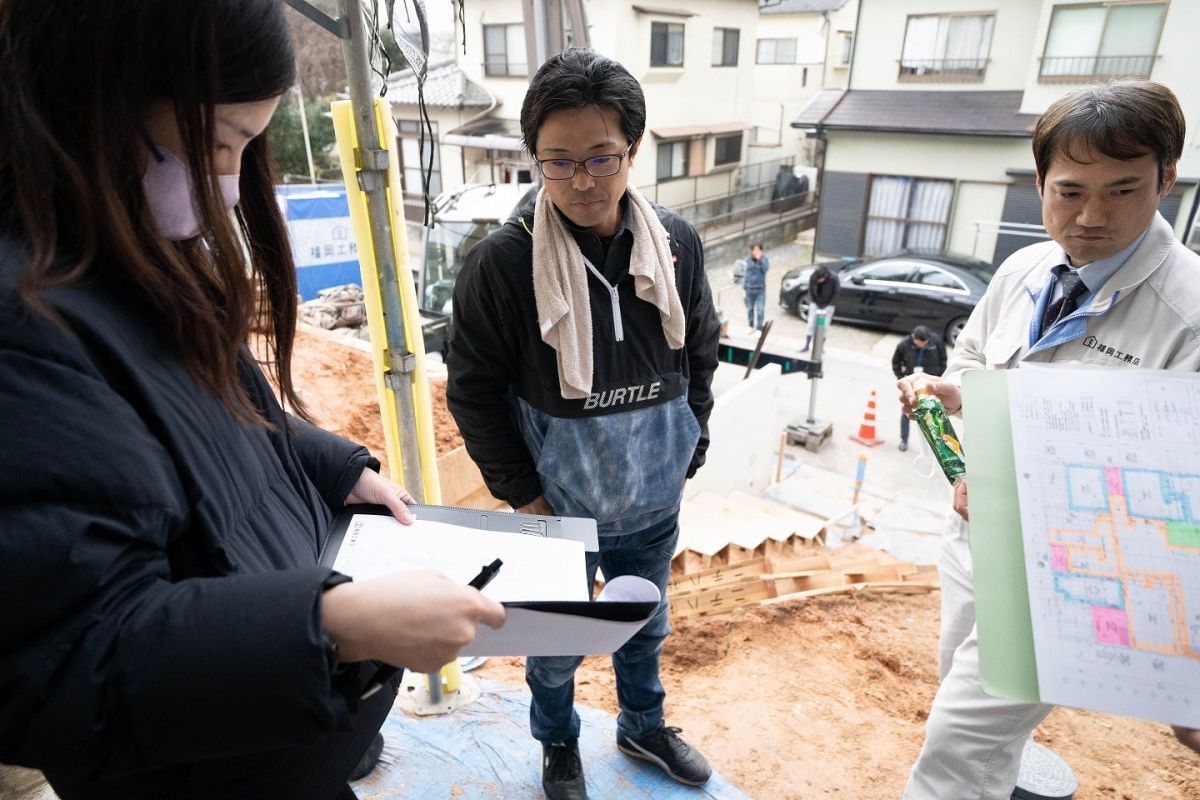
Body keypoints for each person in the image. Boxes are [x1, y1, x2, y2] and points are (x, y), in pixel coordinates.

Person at [0, 2, 505, 798]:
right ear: (99, 100)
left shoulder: (126, 249)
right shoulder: (22, 328)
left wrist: (336, 465)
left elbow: (227, 408)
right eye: (219, 145)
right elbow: (62, 668)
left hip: (279, 746)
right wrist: (335, 625)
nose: (233, 189)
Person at [897, 81, 1200, 800]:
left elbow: (1173, 493)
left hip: (1067, 575)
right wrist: (956, 391)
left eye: (1122, 190)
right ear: (1040, 182)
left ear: (1166, 178)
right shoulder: (1024, 270)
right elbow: (975, 358)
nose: (1091, 216)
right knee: (963, 688)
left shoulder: (1188, 314)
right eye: (1068, 191)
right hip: (974, 540)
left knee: (956, 743)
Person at [446, 48, 719, 800]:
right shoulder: (501, 265)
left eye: (602, 158)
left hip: (651, 502)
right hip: (554, 508)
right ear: (535, 159)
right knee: (556, 644)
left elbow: (700, 353)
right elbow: (472, 393)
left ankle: (642, 723)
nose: (583, 182)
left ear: (633, 149)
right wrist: (525, 499)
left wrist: (686, 449)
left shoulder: (674, 244)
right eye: (558, 162)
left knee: (645, 624)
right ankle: (559, 743)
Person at [890, 325, 946, 451]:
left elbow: (944, 360)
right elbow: (895, 363)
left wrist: (939, 379)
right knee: (907, 411)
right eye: (919, 343)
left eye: (924, 343)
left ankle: (936, 443)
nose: (921, 345)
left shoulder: (936, 341)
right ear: (913, 337)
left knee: (932, 413)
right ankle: (904, 440)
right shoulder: (903, 345)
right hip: (912, 384)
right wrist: (902, 379)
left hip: (931, 383)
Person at [802, 263, 839, 351]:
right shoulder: (814, 276)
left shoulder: (833, 278)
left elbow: (836, 293)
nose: (818, 281)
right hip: (815, 303)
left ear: (825, 277)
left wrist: (830, 304)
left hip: (828, 304)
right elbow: (810, 289)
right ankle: (807, 345)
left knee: (824, 326)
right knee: (811, 323)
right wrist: (813, 301)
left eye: (820, 280)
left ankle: (820, 346)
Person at [742, 243, 769, 330]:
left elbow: (765, 269)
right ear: (751, 251)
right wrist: (744, 288)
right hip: (749, 289)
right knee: (750, 309)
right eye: (755, 250)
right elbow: (744, 275)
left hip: (760, 290)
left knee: (760, 310)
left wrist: (759, 260)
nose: (756, 252)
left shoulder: (765, 260)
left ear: (761, 251)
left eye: (758, 250)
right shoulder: (747, 261)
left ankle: (759, 328)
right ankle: (750, 325)